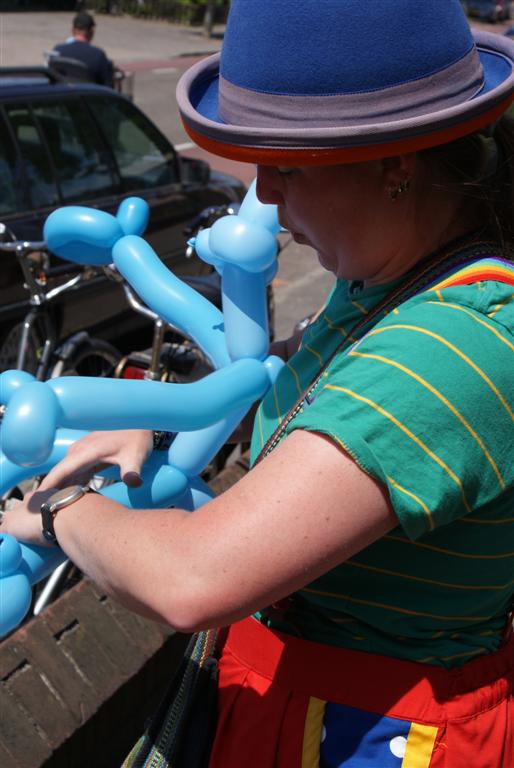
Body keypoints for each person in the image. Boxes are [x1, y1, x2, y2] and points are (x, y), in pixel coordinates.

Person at [3, 0, 514, 765]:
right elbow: (297, 380)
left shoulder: (456, 345)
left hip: (375, 736)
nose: (264, 195)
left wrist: (54, 509)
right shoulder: (387, 278)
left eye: (284, 164)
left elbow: (192, 580)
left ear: (395, 162)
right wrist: (164, 426)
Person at [53, 11, 114, 87]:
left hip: (64, 96)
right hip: (89, 96)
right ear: (92, 31)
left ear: (72, 30)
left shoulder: (58, 51)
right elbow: (108, 88)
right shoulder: (98, 55)